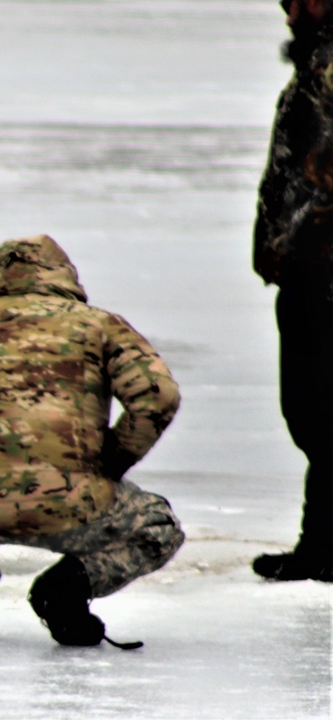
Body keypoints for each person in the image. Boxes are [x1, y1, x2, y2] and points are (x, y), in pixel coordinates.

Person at [0, 234, 184, 648]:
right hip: (69, 506)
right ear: (64, 274)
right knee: (160, 526)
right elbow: (157, 396)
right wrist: (112, 460)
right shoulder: (100, 326)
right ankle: (68, 589)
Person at [251, 0, 333, 583]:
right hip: (308, 265)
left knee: (321, 409)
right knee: (312, 411)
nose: (288, 10)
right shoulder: (315, 64)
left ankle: (323, 546)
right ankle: (322, 543)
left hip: (325, 267)